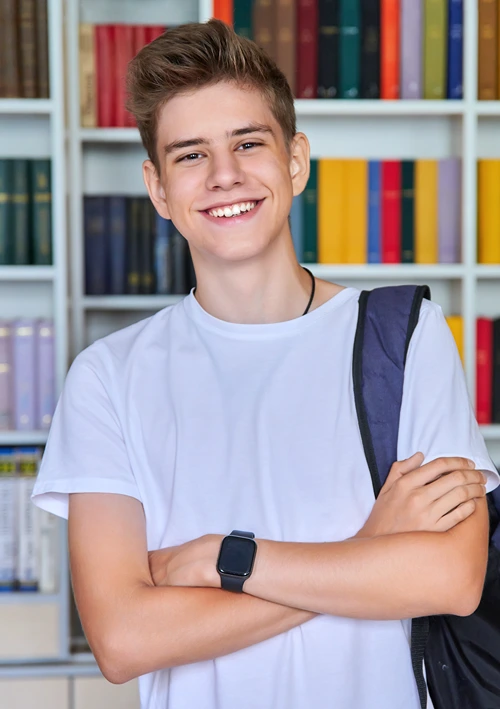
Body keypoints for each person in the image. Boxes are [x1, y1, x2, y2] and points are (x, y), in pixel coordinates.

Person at [32, 19, 499, 709]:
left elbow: (450, 579)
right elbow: (123, 639)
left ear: (295, 161)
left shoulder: (405, 338)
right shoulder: (108, 376)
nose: (225, 176)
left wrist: (222, 558)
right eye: (190, 155)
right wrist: (367, 551)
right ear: (158, 189)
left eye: (248, 143)